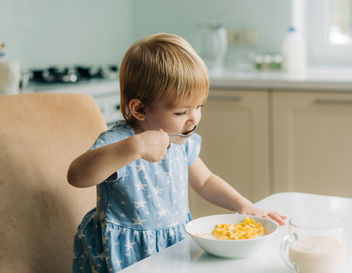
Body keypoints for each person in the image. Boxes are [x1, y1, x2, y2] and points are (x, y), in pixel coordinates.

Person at [68, 33, 286, 273]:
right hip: (125, 254)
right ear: (139, 109)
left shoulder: (181, 142)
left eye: (199, 107)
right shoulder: (121, 142)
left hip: (172, 243)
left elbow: (205, 181)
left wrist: (243, 205)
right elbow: (77, 175)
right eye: (181, 112)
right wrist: (135, 147)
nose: (194, 118)